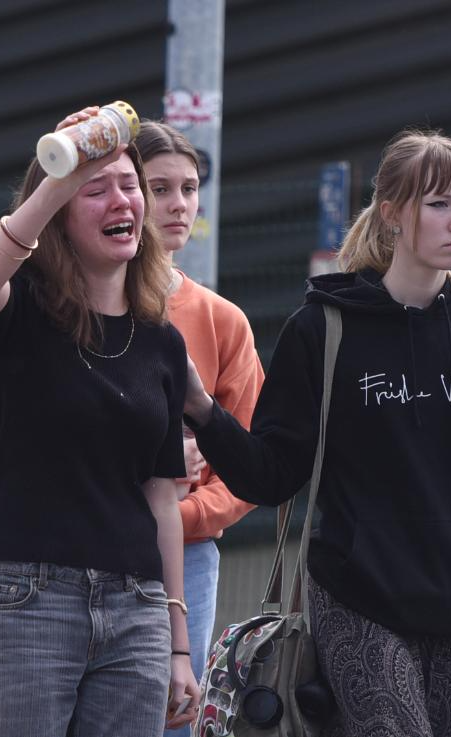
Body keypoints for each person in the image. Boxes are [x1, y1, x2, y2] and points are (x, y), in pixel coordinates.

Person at [183, 129, 451, 737]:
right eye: (439, 204)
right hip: (356, 597)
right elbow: (273, 475)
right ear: (391, 213)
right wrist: (204, 412)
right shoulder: (323, 330)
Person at [0, 106, 199, 736]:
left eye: (129, 185)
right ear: (60, 216)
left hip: (137, 609)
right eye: (95, 191)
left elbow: (163, 499)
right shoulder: (22, 313)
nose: (121, 201)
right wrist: (59, 174)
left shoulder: (162, 341)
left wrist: (178, 645)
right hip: (27, 600)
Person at [132, 120, 265, 737]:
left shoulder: (221, 320)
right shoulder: (77, 306)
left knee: (174, 717)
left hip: (188, 553)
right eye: (159, 189)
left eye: (189, 189)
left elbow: (250, 463)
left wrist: (180, 515)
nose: (179, 204)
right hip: (85, 545)